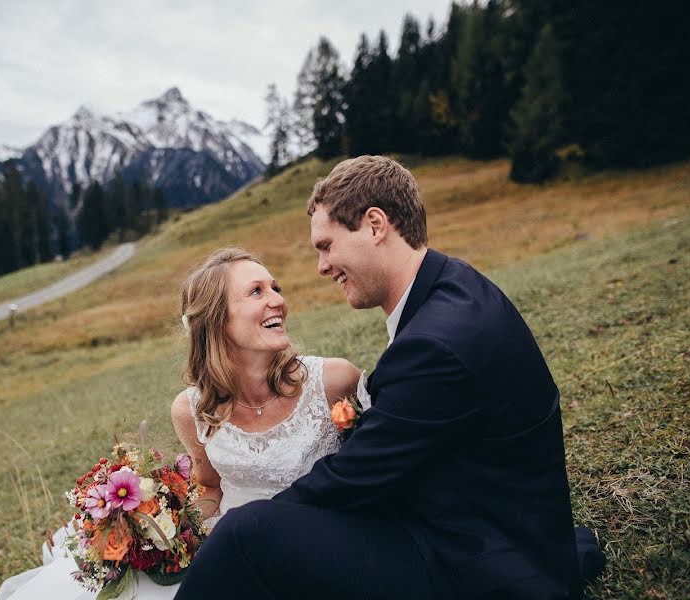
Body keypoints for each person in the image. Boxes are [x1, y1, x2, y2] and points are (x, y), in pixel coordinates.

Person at [176, 156, 604, 599]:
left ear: (375, 225)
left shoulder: (434, 342)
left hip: (470, 559)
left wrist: (265, 531)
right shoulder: (454, 285)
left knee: (246, 531)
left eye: (326, 245)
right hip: (485, 522)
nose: (322, 266)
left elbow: (357, 475)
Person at [0, 248, 367, 599]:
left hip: (318, 547)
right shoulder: (192, 409)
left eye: (276, 288)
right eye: (257, 291)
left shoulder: (334, 381)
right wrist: (164, 527)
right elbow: (210, 487)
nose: (278, 300)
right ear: (217, 320)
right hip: (231, 550)